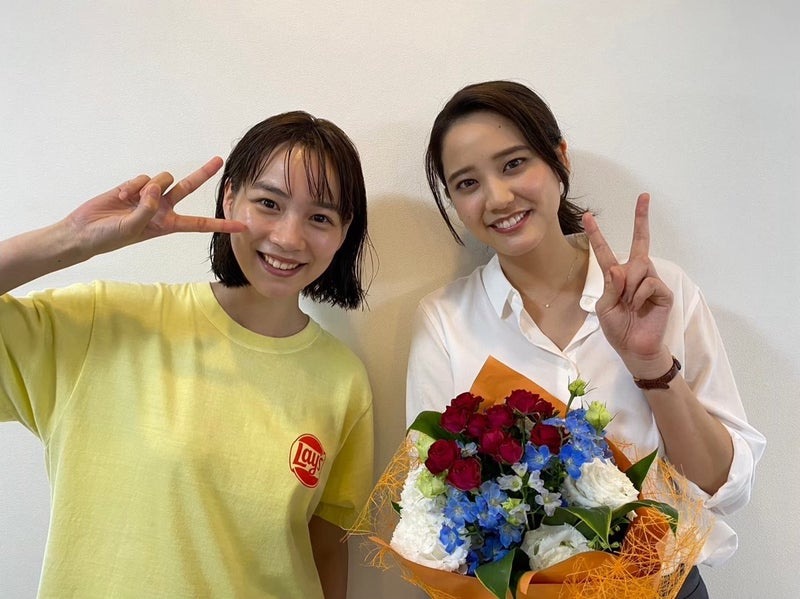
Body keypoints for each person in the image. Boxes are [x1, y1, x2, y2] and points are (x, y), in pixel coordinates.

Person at [405, 81, 765, 599]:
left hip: (666, 586)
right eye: (467, 183)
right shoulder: (444, 320)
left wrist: (650, 363)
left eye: (513, 164)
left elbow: (722, 487)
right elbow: (432, 508)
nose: (498, 197)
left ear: (559, 158)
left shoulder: (658, 291)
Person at [0, 111, 374, 599]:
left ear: (343, 232)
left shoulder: (344, 379)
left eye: (320, 217)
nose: (288, 237)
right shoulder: (103, 323)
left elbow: (325, 553)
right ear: (229, 196)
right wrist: (73, 237)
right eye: (269, 203)